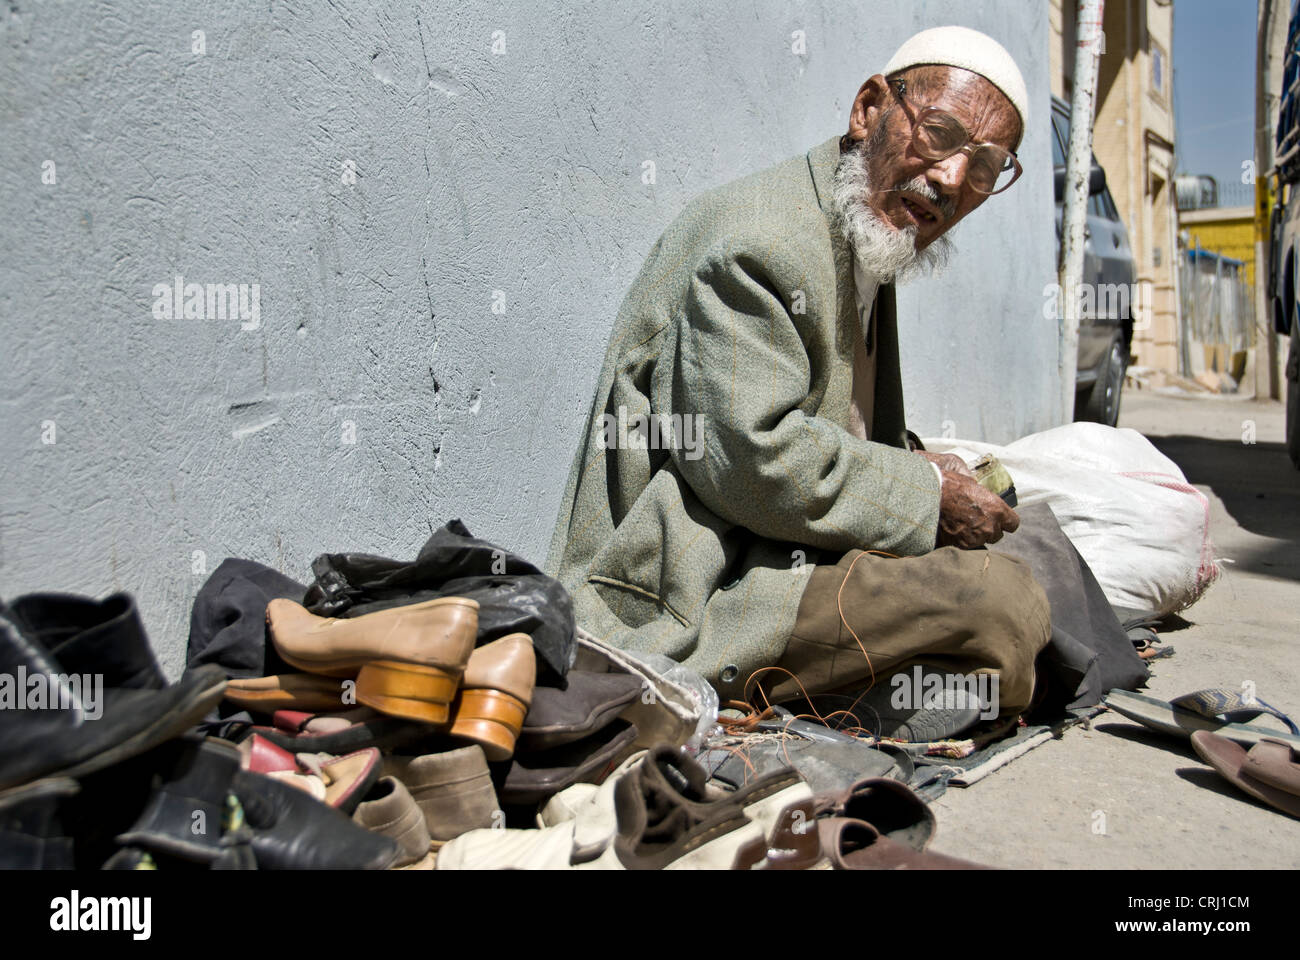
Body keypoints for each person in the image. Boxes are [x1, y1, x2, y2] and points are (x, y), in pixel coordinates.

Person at [545, 26, 1051, 728]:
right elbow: (754, 460)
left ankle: (909, 686)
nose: (951, 179)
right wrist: (926, 495)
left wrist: (916, 465)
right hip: (697, 587)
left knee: (1037, 542)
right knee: (998, 601)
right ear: (869, 109)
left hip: (779, 546)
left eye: (987, 167)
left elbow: (826, 419)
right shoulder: (765, 244)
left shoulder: (865, 226)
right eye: (939, 133)